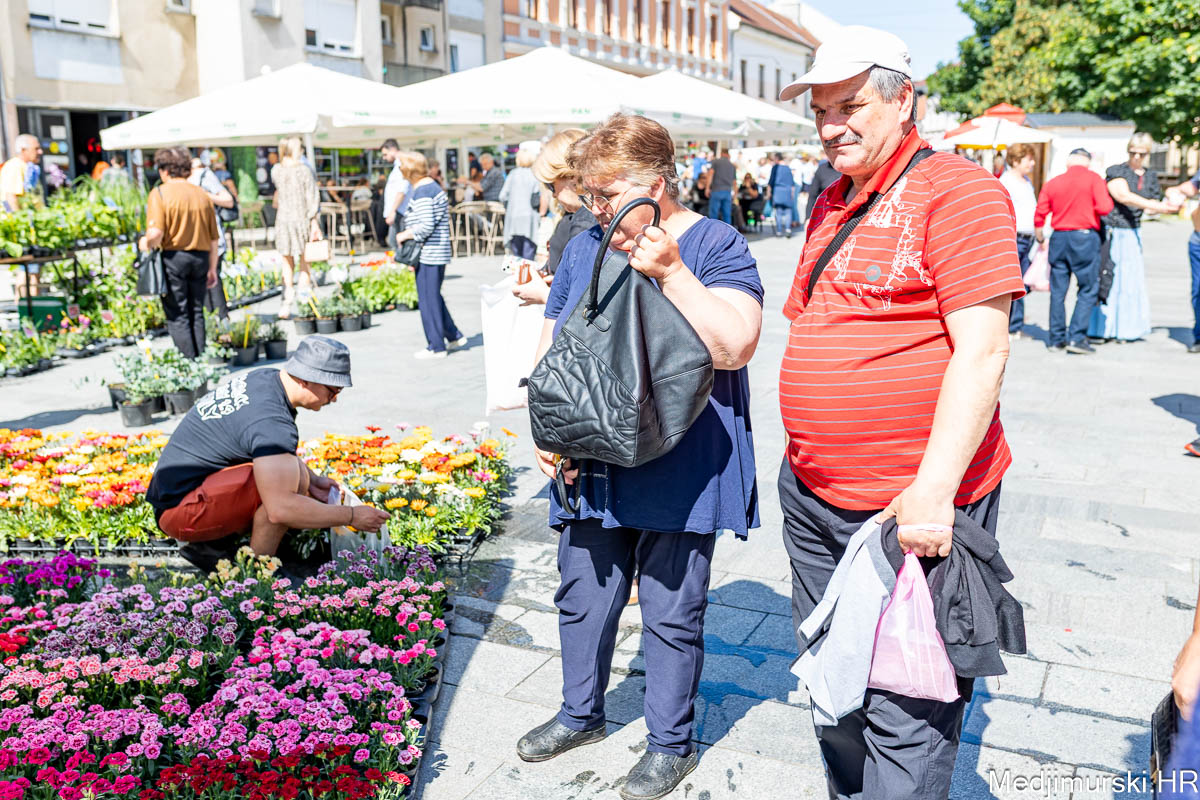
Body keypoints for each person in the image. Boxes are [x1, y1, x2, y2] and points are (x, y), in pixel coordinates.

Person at [775, 25, 1025, 799]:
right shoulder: (831, 199)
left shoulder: (958, 191)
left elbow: (984, 351)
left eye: (849, 106)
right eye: (820, 111)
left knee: (909, 704)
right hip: (815, 498)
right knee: (834, 681)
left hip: (909, 505)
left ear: (902, 98)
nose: (830, 127)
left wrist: (934, 490)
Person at [516, 113, 763, 800]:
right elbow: (554, 337)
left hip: (682, 454)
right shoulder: (583, 246)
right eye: (588, 193)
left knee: (671, 609)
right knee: (581, 593)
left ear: (655, 184)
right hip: (593, 452)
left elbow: (736, 346)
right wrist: (547, 423)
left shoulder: (715, 243)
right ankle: (580, 714)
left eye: (606, 193)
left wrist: (674, 274)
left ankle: (669, 745)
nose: (594, 206)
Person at [146, 336, 390, 563]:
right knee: (283, 496)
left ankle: (229, 547)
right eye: (333, 390)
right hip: (181, 512)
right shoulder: (272, 420)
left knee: (294, 476)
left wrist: (313, 480)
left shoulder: (266, 380)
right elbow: (282, 509)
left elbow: (271, 451)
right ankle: (257, 577)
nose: (334, 399)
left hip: (178, 496)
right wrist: (351, 516)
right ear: (306, 379)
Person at [1089, 133, 1178, 343]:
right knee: (1109, 278)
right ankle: (1103, 329)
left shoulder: (1150, 176)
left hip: (1133, 232)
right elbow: (1123, 196)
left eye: (1141, 153)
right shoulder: (1117, 171)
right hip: (1114, 231)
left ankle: (1126, 329)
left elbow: (1151, 205)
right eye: (1133, 152)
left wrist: (1170, 202)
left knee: (1130, 282)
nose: (1136, 157)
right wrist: (1159, 207)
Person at [139, 147, 221, 359]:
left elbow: (156, 233)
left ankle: (188, 363)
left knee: (178, 313)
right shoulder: (201, 194)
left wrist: (144, 242)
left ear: (165, 170)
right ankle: (200, 360)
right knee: (197, 311)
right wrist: (213, 268)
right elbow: (214, 238)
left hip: (173, 257)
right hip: (201, 257)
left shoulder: (160, 193)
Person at [1034, 148, 1115, 354]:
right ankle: (1076, 338)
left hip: (1059, 238)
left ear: (1068, 162)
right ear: (1087, 162)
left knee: (1058, 292)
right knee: (1088, 289)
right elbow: (1105, 207)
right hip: (1084, 238)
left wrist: (1040, 237)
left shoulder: (1054, 182)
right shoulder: (1094, 179)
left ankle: (1056, 339)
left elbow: (1040, 213)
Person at [394, 151, 464, 360]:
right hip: (436, 251)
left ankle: (436, 346)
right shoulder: (431, 187)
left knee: (427, 299)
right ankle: (453, 335)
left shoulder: (423, 191)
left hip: (429, 253)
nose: (400, 171)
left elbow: (426, 225)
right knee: (433, 296)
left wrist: (405, 234)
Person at [514, 128, 595, 306]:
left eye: (551, 186)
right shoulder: (578, 215)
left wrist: (545, 295)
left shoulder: (587, 221)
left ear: (572, 178)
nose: (554, 195)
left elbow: (579, 301)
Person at [271, 136, 322, 319]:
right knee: (304, 261)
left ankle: (286, 301)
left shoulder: (276, 170)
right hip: (301, 218)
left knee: (287, 261)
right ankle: (303, 298)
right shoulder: (303, 170)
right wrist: (314, 221)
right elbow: (312, 197)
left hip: (283, 219)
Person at [999, 144, 1039, 339]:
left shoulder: (1026, 181)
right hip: (1015, 237)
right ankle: (1011, 325)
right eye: (1028, 159)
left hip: (1028, 237)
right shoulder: (1006, 181)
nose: (1032, 163)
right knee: (1014, 283)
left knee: (1023, 282)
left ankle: (1015, 323)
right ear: (1015, 161)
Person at [190, 155, 235, 320]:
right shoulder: (183, 180)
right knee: (202, 282)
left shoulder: (205, 176)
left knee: (213, 278)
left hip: (212, 236)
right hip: (195, 237)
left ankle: (222, 321)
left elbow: (228, 200)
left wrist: (205, 195)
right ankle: (212, 321)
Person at [499, 146, 543, 259]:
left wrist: (509, 205)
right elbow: (537, 197)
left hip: (513, 218)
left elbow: (502, 196)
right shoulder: (535, 174)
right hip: (530, 219)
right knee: (529, 257)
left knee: (516, 257)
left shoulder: (512, 174)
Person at [380, 138, 410, 248]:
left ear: (392, 150)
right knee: (395, 243)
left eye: (385, 154)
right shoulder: (398, 166)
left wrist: (393, 211)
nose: (384, 158)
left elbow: (402, 191)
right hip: (398, 212)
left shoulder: (402, 165)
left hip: (400, 212)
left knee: (397, 244)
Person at [1, 133, 42, 213]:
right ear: (23, 150)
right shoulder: (15, 166)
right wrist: (19, 219)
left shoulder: (27, 166)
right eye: (36, 149)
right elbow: (11, 197)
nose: (40, 152)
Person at [767, 151, 797, 238]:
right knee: (788, 211)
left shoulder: (775, 168)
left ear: (776, 158)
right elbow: (792, 183)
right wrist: (792, 194)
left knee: (779, 212)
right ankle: (788, 229)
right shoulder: (788, 168)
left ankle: (779, 231)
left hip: (778, 191)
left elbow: (771, 182)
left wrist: (768, 193)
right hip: (787, 191)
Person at [804, 155, 840, 225]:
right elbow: (812, 195)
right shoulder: (822, 169)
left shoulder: (849, 169)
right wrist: (808, 217)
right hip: (824, 216)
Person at [707, 148, 735, 224]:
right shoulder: (732, 165)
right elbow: (734, 182)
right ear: (728, 154)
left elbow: (710, 174)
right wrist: (735, 194)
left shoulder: (716, 162)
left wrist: (707, 188)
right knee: (727, 214)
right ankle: (727, 231)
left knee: (714, 214)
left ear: (722, 153)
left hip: (716, 190)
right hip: (727, 191)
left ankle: (713, 230)